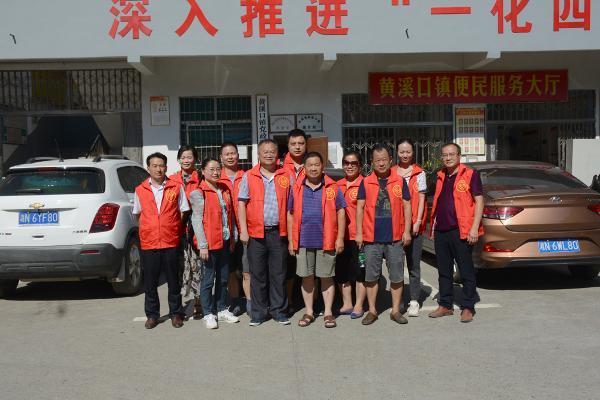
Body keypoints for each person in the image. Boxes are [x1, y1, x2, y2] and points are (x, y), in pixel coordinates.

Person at [287, 152, 346, 328]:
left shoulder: (332, 187)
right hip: (303, 241)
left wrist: (340, 238)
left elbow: (341, 212)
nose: (313, 168)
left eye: (317, 164)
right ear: (304, 168)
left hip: (326, 241)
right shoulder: (296, 187)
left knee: (326, 277)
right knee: (307, 277)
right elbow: (290, 214)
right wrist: (291, 240)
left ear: (322, 166)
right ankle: (309, 311)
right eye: (310, 165)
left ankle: (328, 313)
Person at [355, 145, 412, 326]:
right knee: (371, 276)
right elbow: (359, 208)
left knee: (396, 276)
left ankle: (395, 310)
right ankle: (372, 310)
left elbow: (407, 207)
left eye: (384, 160)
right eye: (377, 160)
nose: (381, 163)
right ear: (372, 162)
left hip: (395, 237)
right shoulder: (366, 182)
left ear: (390, 161)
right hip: (371, 238)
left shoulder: (399, 181)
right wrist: (359, 233)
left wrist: (407, 231)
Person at [238, 139, 292, 326]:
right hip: (256, 234)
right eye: (265, 152)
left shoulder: (286, 175)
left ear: (277, 155)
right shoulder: (249, 176)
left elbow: (292, 206)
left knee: (278, 274)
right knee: (257, 275)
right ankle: (258, 313)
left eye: (272, 151)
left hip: (278, 233)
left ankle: (279, 311)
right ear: (259, 155)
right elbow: (242, 204)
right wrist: (243, 231)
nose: (269, 154)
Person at [133, 152, 190, 329]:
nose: (158, 169)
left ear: (166, 167)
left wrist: (172, 226)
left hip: (170, 240)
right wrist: (149, 229)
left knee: (173, 280)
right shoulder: (140, 189)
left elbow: (183, 210)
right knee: (150, 281)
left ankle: (176, 313)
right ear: (148, 168)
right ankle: (152, 315)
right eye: (155, 166)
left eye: (161, 165)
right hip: (149, 242)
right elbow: (138, 214)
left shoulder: (175, 187)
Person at [428, 143, 484, 323]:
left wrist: (474, 228)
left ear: (459, 156)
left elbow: (479, 201)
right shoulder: (440, 175)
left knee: (466, 270)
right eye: (445, 155)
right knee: (444, 271)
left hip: (461, 231)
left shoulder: (470, 174)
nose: (448, 158)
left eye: (451, 154)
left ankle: (468, 306)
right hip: (441, 230)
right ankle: (445, 305)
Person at [189, 158, 239, 329]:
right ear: (203, 171)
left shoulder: (224, 189)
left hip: (224, 241)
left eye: (218, 169)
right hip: (209, 244)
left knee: (224, 278)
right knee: (208, 280)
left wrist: (232, 238)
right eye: (211, 169)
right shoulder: (198, 192)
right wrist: (202, 245)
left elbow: (229, 215)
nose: (216, 172)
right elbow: (196, 220)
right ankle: (208, 313)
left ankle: (222, 308)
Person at [392, 139, 428, 317]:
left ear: (413, 153)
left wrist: (418, 221)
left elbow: (421, 198)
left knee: (413, 265)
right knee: (396, 265)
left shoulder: (419, 173)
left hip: (414, 226)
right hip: (396, 226)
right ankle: (398, 301)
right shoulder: (391, 172)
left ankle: (414, 301)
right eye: (402, 152)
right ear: (397, 152)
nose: (405, 155)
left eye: (408, 151)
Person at [169, 146, 202, 319]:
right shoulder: (171, 180)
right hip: (176, 229)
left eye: (189, 157)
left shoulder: (201, 178)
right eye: (183, 157)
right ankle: (178, 306)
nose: (186, 160)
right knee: (179, 268)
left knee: (197, 266)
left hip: (196, 229)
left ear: (195, 159)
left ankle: (198, 302)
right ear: (178, 159)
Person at [335, 151, 367, 319]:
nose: (349, 166)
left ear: (359, 165)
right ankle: (347, 303)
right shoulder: (337, 185)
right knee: (342, 271)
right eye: (346, 163)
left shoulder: (365, 184)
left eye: (353, 163)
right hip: (341, 238)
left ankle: (359, 305)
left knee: (361, 271)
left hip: (360, 237)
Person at [218, 142, 248, 316]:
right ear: (221, 158)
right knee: (229, 270)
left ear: (238, 155)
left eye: (233, 153)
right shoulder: (216, 178)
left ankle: (251, 301)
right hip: (225, 232)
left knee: (247, 269)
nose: (230, 157)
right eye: (226, 154)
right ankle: (235, 301)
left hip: (246, 230)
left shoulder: (247, 176)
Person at [281, 129, 307, 314]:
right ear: (288, 145)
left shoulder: (312, 164)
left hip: (309, 225)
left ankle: (312, 303)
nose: (297, 147)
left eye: (301, 143)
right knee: (288, 267)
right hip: (286, 224)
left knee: (310, 267)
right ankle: (289, 301)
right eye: (293, 144)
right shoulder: (280, 167)